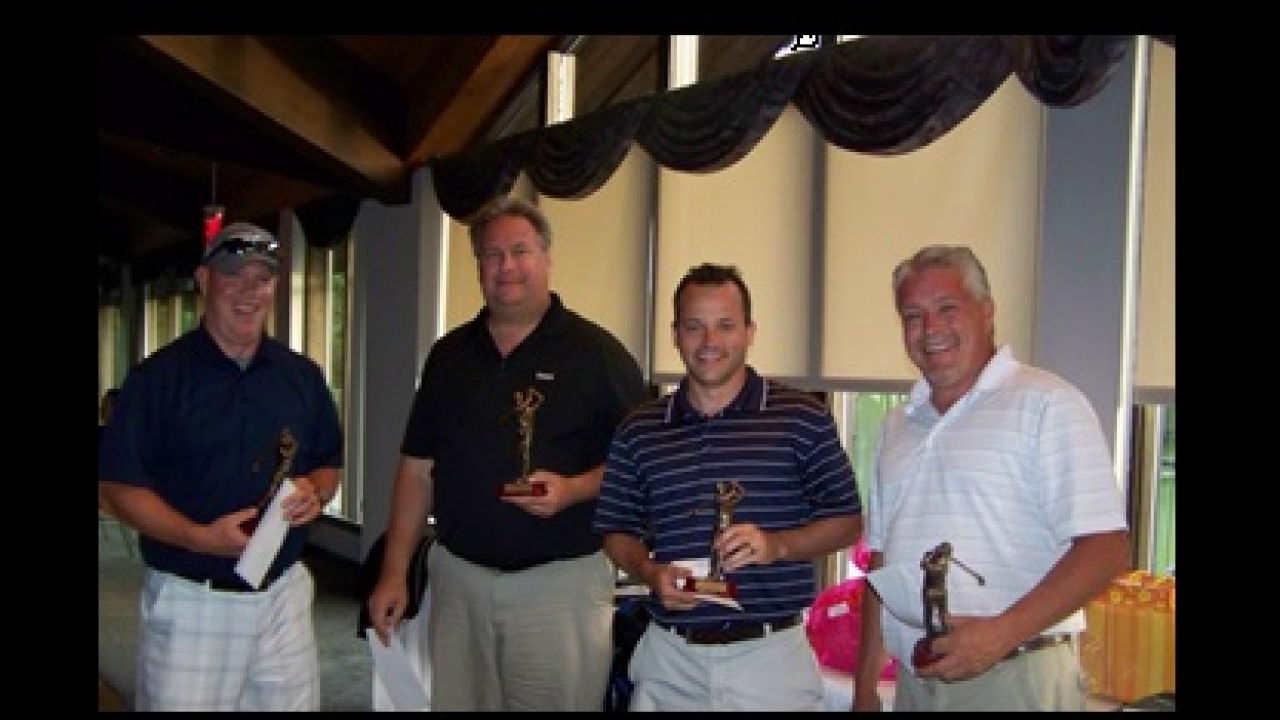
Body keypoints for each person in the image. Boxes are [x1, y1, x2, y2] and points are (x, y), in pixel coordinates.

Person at [365, 195, 648, 711]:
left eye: (520, 251)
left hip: (558, 589)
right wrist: (393, 571)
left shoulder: (598, 354)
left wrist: (574, 490)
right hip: (458, 583)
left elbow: (643, 464)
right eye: (493, 256)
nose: (507, 267)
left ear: (546, 257)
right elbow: (417, 468)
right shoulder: (449, 356)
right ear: (479, 267)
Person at [851, 244, 1130, 712]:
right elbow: (882, 564)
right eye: (913, 315)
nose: (931, 329)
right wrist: (863, 687)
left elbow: (1107, 549)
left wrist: (999, 634)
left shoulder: (1047, 405)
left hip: (1016, 679)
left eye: (947, 308)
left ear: (987, 311)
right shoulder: (896, 426)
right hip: (916, 684)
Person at [593, 262, 864, 712]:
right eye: (694, 327)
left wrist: (777, 545)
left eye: (725, 326)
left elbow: (847, 523)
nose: (709, 343)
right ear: (675, 333)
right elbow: (616, 531)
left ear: (750, 331)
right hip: (670, 659)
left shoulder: (801, 419)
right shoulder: (639, 429)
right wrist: (648, 571)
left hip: (770, 659)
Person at [98, 221, 344, 711]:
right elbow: (114, 488)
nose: (249, 291)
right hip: (195, 601)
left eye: (263, 278)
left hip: (284, 595)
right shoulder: (157, 380)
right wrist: (199, 537)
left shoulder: (302, 377)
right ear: (204, 280)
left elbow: (327, 464)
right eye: (234, 275)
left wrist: (315, 492)